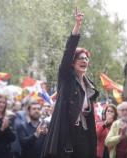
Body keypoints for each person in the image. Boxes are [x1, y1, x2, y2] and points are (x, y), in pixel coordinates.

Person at [41, 8, 99, 158]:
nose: (84, 61)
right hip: (66, 134)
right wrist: (77, 25)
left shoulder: (89, 86)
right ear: (72, 63)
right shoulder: (66, 78)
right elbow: (68, 52)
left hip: (84, 134)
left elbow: (87, 111)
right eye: (80, 58)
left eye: (86, 59)